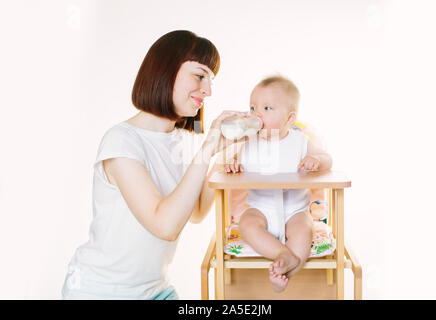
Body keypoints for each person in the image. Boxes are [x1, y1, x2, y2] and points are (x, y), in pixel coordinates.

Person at [61, 30, 246, 300]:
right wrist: (207, 151)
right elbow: (165, 225)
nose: (207, 90)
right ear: (166, 69)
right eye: (199, 75)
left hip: (155, 291)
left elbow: (194, 211)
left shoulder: (182, 141)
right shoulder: (121, 141)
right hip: (99, 291)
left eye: (211, 80)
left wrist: (224, 154)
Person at [224, 75, 333, 292]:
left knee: (304, 231)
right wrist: (232, 166)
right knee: (247, 225)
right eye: (253, 107)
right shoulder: (249, 142)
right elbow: (233, 163)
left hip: (295, 210)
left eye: (266, 108)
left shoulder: (301, 141)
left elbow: (327, 159)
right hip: (259, 209)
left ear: (289, 118)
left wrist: (316, 160)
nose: (257, 114)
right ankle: (282, 255)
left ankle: (285, 271)